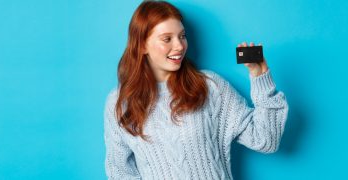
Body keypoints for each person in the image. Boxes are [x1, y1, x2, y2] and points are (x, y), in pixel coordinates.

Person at [104, 0, 288, 179]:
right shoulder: (120, 102)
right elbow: (120, 172)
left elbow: (266, 140)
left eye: (182, 36)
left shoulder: (210, 86)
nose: (179, 46)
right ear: (142, 45)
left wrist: (260, 76)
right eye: (167, 39)